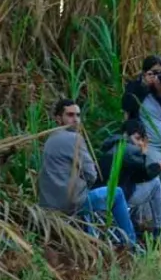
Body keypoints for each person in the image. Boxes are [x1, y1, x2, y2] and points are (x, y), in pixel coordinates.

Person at [38, 98, 137, 247]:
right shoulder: (75, 139)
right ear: (58, 119)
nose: (76, 119)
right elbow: (92, 173)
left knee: (86, 192)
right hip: (71, 205)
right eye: (70, 115)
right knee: (117, 193)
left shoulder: (50, 139)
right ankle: (130, 243)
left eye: (78, 115)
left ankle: (92, 240)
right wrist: (85, 182)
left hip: (48, 205)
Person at [122, 55, 161, 209]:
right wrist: (144, 86)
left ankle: (159, 227)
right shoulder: (135, 86)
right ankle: (145, 224)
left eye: (160, 73)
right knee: (150, 186)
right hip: (150, 146)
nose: (157, 77)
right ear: (144, 73)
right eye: (153, 73)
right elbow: (127, 105)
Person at [99, 119, 161, 243]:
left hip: (100, 198)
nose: (139, 143)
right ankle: (160, 231)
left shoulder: (111, 146)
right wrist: (152, 162)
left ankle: (137, 224)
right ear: (126, 135)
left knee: (135, 185)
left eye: (141, 140)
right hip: (117, 199)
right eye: (137, 138)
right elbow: (144, 175)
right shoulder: (129, 150)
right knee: (156, 183)